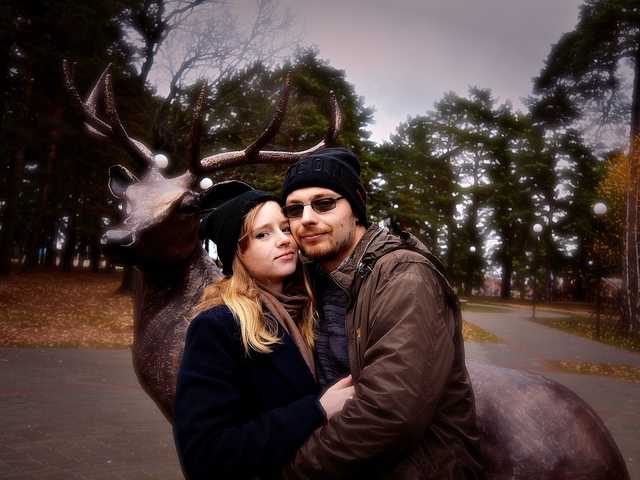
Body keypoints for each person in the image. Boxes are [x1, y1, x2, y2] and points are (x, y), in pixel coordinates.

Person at [280, 148, 485, 479]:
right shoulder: (311, 279)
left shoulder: (404, 275)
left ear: (356, 209)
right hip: (344, 459)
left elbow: (390, 413)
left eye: (324, 203)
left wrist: (294, 470)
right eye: (294, 209)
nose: (306, 218)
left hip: (420, 466)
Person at [172, 181, 354, 480]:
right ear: (237, 252)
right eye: (262, 234)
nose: (284, 240)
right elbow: (205, 455)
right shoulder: (218, 326)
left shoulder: (310, 308)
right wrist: (316, 410)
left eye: (284, 228)